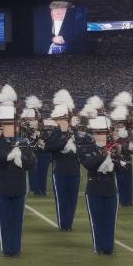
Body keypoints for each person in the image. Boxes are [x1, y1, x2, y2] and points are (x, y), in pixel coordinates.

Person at [0, 105, 36, 257]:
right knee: (5, 220)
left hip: (19, 186)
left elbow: (32, 163)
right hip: (1, 186)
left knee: (17, 221)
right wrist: (8, 154)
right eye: (6, 123)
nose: (9, 127)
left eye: (11, 123)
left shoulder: (23, 142)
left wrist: (22, 158)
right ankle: (7, 249)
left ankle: (16, 248)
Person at [77, 115, 123, 255]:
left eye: (103, 132)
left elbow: (122, 170)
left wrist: (119, 155)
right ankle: (99, 247)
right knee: (97, 221)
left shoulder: (113, 147)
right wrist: (104, 153)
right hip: (94, 188)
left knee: (110, 221)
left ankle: (109, 248)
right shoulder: (86, 147)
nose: (100, 135)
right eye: (97, 132)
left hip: (110, 188)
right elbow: (88, 164)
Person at [45, 99, 81, 231]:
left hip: (75, 171)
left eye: (65, 118)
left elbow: (84, 148)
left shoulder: (76, 132)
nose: (63, 121)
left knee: (72, 199)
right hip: (60, 170)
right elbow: (48, 147)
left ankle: (69, 223)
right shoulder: (55, 133)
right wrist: (64, 139)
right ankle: (64, 224)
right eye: (61, 119)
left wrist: (76, 146)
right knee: (62, 200)